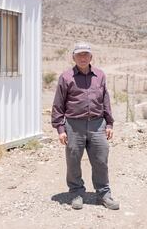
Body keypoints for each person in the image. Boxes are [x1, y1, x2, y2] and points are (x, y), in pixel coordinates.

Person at [51, 42, 119, 210]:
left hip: (98, 125)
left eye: (86, 54)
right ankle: (76, 193)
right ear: (73, 57)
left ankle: (104, 194)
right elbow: (58, 104)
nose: (82, 57)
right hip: (74, 126)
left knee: (101, 160)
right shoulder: (66, 77)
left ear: (91, 57)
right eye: (79, 54)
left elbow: (105, 100)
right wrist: (60, 129)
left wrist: (109, 123)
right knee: (73, 161)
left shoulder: (100, 75)